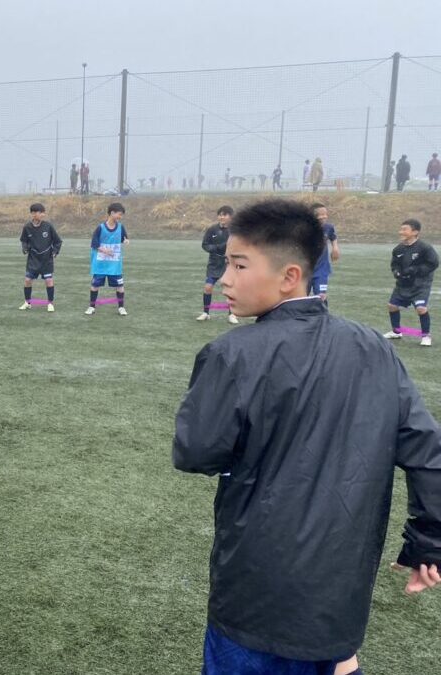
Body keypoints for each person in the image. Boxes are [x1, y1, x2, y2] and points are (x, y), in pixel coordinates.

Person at [173, 198, 441, 675]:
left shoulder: (232, 353)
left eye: (239, 265)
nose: (225, 279)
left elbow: (195, 452)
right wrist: (429, 543)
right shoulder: (374, 348)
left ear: (290, 275)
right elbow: (428, 452)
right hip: (341, 585)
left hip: (257, 587)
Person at [383, 218, 438, 347]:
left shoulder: (425, 248)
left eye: (404, 229)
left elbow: (433, 263)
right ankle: (396, 331)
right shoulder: (398, 249)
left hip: (420, 284)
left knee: (421, 309)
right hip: (403, 284)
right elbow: (395, 264)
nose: (401, 232)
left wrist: (415, 270)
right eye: (401, 229)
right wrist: (396, 272)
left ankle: (425, 336)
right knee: (392, 306)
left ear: (415, 232)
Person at [196, 206, 239, 324]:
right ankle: (206, 313)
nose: (221, 217)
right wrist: (216, 248)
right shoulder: (212, 229)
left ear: (231, 217)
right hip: (214, 263)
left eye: (224, 215)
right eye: (220, 215)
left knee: (231, 289)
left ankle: (232, 314)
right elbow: (205, 245)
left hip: (229, 264)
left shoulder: (235, 231)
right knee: (208, 287)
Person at [85, 203, 129, 316]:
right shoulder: (100, 228)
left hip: (115, 264)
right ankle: (91, 307)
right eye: (119, 214)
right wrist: (105, 250)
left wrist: (126, 241)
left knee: (120, 286)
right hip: (101, 264)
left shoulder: (121, 227)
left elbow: (124, 238)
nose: (120, 217)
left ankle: (121, 307)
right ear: (112, 213)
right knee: (95, 285)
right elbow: (94, 244)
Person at [18, 203, 62, 312]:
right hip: (33, 259)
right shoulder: (27, 227)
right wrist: (25, 248)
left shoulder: (48, 226)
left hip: (46, 259)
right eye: (39, 212)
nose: (42, 214)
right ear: (33, 214)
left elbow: (58, 241)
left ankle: (50, 303)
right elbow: (23, 240)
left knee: (49, 280)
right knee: (28, 280)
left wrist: (55, 251)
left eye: (42, 212)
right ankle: (27, 302)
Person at [309, 203, 340, 303]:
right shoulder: (304, 229)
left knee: (321, 297)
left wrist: (335, 248)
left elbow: (333, 237)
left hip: (321, 270)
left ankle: (322, 312)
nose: (324, 217)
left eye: (325, 214)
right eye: (321, 214)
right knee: (300, 297)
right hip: (305, 271)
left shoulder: (328, 227)